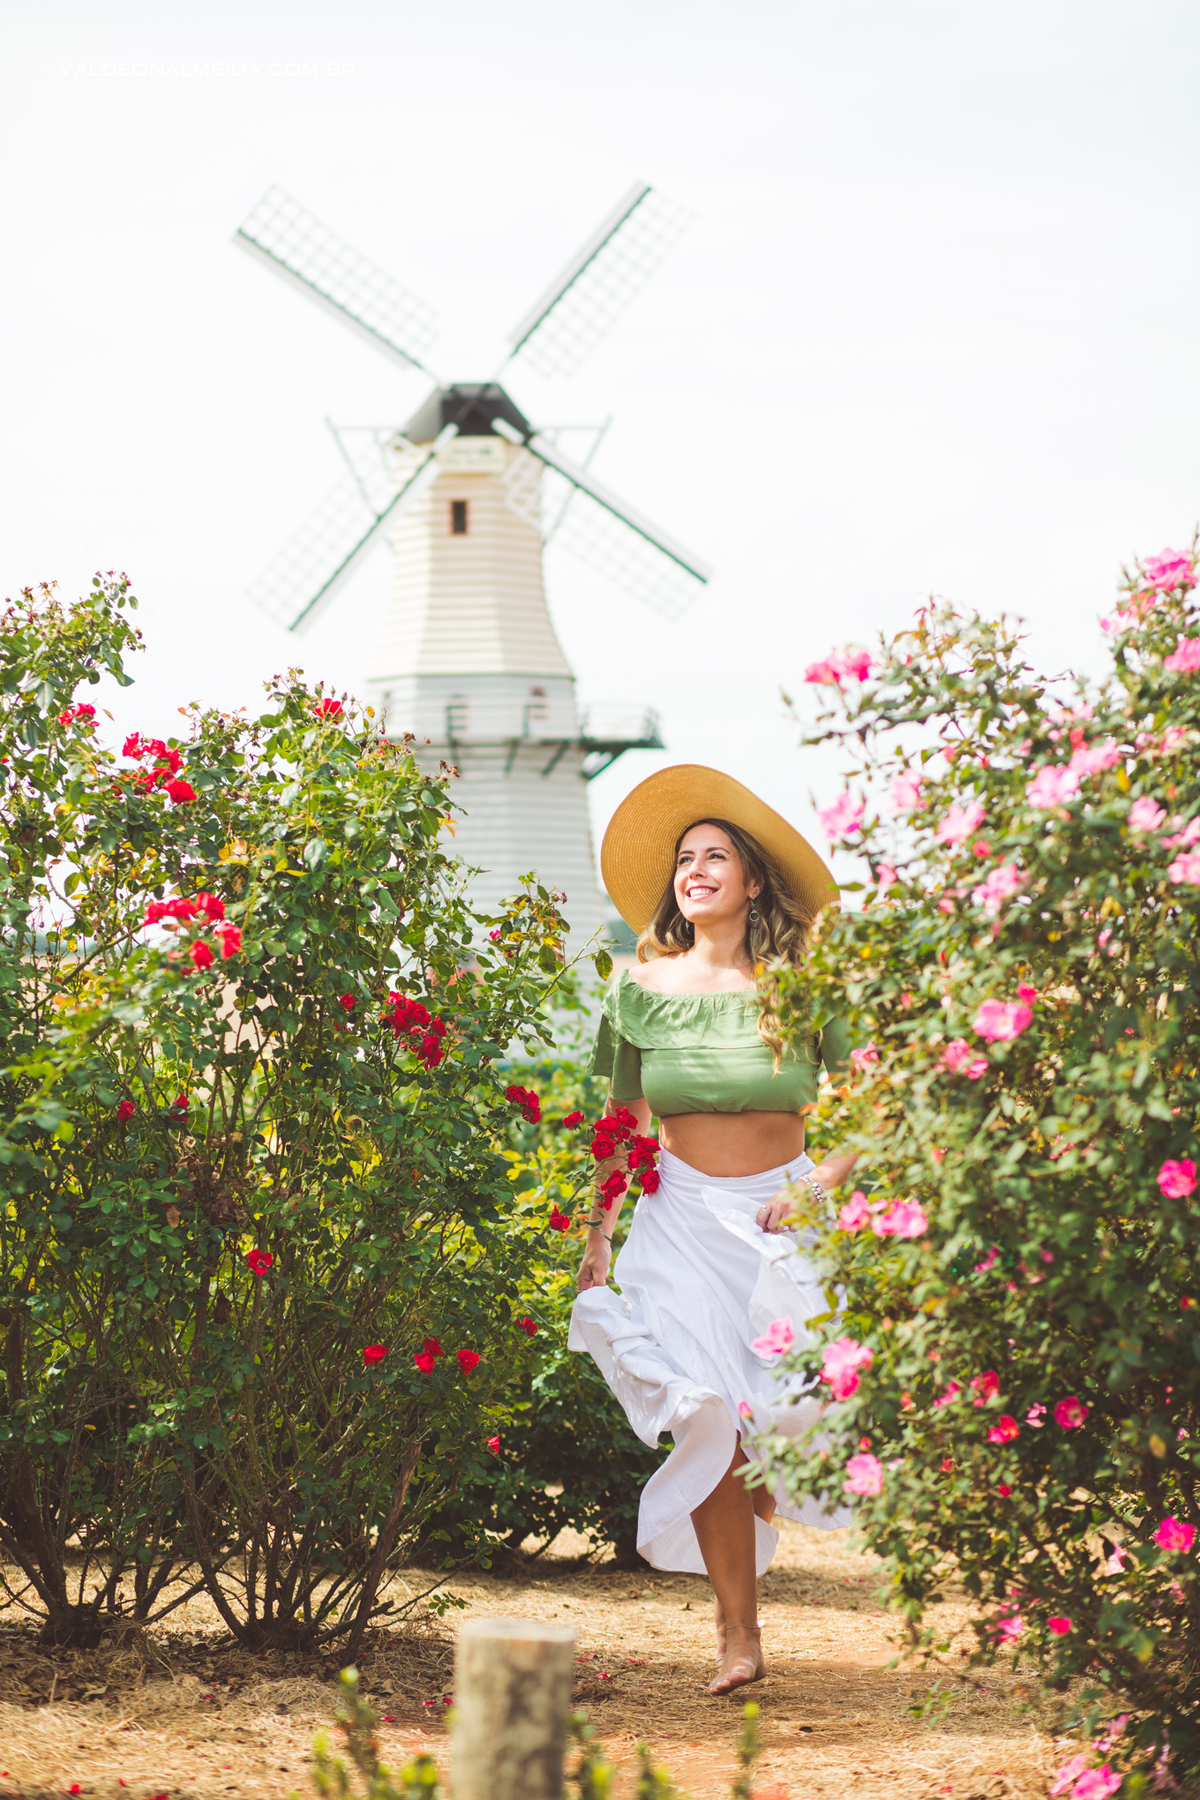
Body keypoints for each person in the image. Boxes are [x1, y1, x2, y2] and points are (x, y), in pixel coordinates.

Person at [569, 764, 860, 1696]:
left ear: (754, 882)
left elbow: (880, 1099)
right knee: (713, 1422)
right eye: (686, 859)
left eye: (716, 857)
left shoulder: (805, 989)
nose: (696, 870)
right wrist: (595, 1242)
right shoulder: (638, 989)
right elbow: (617, 1130)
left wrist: (819, 1187)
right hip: (679, 1223)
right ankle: (739, 1635)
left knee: (778, 1428)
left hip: (784, 1224)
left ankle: (757, 1530)